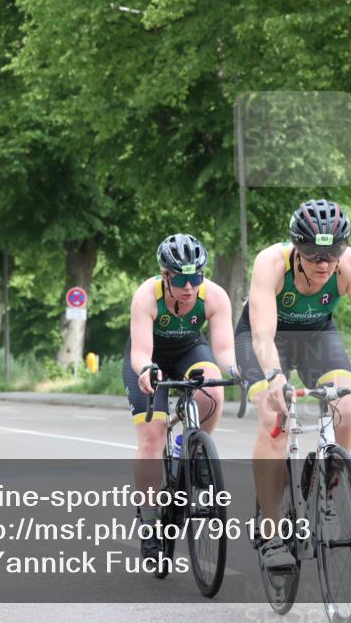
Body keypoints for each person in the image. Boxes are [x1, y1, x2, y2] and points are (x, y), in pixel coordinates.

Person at [237, 198, 351, 568]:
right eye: (313, 254)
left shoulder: (350, 266)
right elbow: (263, 336)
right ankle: (270, 532)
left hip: (317, 336)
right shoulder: (271, 263)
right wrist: (274, 377)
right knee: (274, 421)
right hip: (266, 339)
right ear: (296, 248)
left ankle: (326, 488)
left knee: (346, 406)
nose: (324, 263)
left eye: (332, 253)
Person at [124, 233, 236, 563]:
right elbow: (142, 351)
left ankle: (191, 448)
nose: (190, 287)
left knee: (213, 389)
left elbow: (225, 350)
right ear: (166, 275)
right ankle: (148, 522)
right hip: (149, 358)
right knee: (151, 437)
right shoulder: (147, 296)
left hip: (189, 349)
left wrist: (239, 370)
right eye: (182, 279)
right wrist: (146, 370)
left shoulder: (214, 296)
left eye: (196, 277)